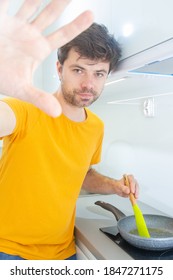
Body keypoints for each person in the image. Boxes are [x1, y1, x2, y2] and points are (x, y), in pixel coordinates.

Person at [0, 1, 139, 260]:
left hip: (63, 252)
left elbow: (81, 173)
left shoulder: (96, 126)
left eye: (99, 74)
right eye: (78, 70)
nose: (88, 84)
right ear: (59, 69)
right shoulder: (25, 109)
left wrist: (115, 185)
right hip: (9, 250)